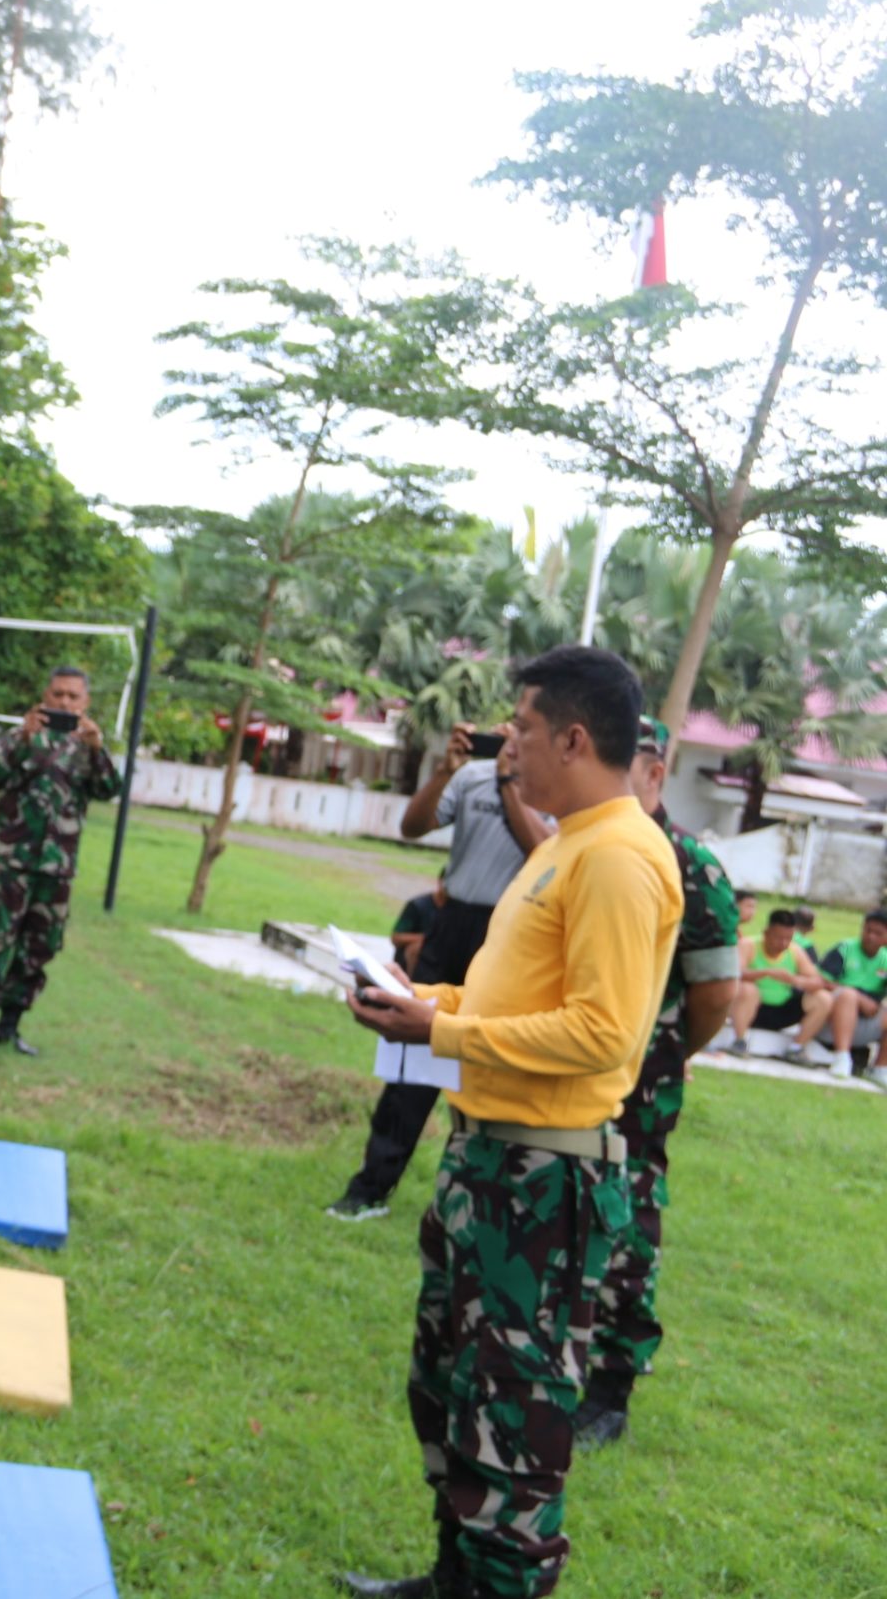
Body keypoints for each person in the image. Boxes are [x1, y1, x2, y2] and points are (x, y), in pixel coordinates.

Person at [340, 645, 679, 1599]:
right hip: (490, 1159)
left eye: (523, 726)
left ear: (574, 737)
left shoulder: (616, 853)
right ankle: (455, 1577)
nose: (509, 742)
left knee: (516, 1418)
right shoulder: (571, 839)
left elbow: (603, 1033)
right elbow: (523, 994)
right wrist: (425, 994)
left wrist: (441, 1024)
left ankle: (496, 1584)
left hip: (542, 1176)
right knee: (452, 1389)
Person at [575, 714, 738, 1452]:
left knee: (631, 1218)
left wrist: (667, 1053)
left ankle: (611, 1386)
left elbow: (713, 995)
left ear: (654, 769)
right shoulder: (584, 842)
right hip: (572, 1073)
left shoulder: (690, 863)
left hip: (643, 1083)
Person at [325, 720, 553, 1223]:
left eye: (522, 730)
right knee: (408, 1060)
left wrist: (510, 782)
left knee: (484, 1061)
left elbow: (541, 851)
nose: (509, 739)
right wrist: (444, 772)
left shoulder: (547, 789)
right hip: (449, 925)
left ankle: (476, 1196)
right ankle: (370, 1189)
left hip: (504, 934)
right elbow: (412, 826)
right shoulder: (470, 777)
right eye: (504, 731)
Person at [0, 665, 124, 1058]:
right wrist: (24, 741)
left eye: (73, 696)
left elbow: (109, 790)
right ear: (45, 696)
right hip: (11, 862)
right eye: (58, 695)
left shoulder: (89, 746)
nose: (64, 702)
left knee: (40, 946)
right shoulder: (20, 736)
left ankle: (11, 1024)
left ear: (85, 702)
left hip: (57, 866)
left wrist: (98, 749)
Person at [790, 909, 887, 1079]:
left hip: (863, 1024)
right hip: (831, 1022)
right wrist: (859, 997)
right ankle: (842, 1057)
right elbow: (821, 980)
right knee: (848, 995)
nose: (871, 936)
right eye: (867, 930)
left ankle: (880, 1068)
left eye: (878, 933)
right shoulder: (845, 949)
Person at [726, 908, 827, 1049]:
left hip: (782, 1011)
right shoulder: (748, 945)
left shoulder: (795, 951)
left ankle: (796, 1048)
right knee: (747, 989)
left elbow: (818, 982)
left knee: (823, 998)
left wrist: (794, 980)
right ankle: (740, 1040)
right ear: (766, 933)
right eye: (779, 938)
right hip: (751, 1008)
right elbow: (734, 973)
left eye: (788, 938)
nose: (783, 943)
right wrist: (766, 973)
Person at [390, 879, 445, 974]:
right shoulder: (418, 905)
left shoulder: (459, 911)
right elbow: (396, 937)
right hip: (410, 962)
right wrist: (427, 938)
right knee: (417, 947)